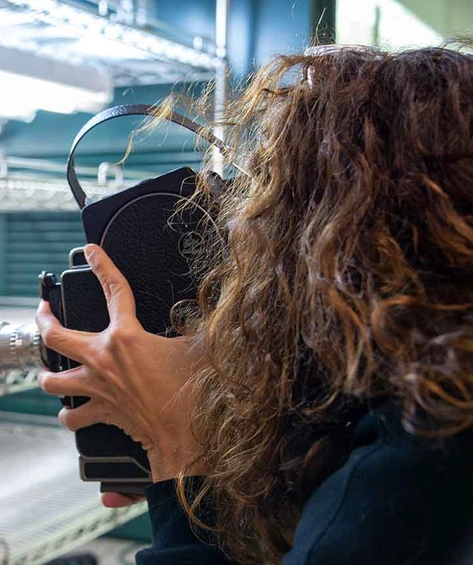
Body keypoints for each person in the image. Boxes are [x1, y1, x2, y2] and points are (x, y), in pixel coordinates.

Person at [36, 44, 473, 565]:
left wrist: (177, 443)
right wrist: (233, 459)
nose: (240, 224)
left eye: (267, 193)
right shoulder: (436, 397)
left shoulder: (406, 470)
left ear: (345, 243)